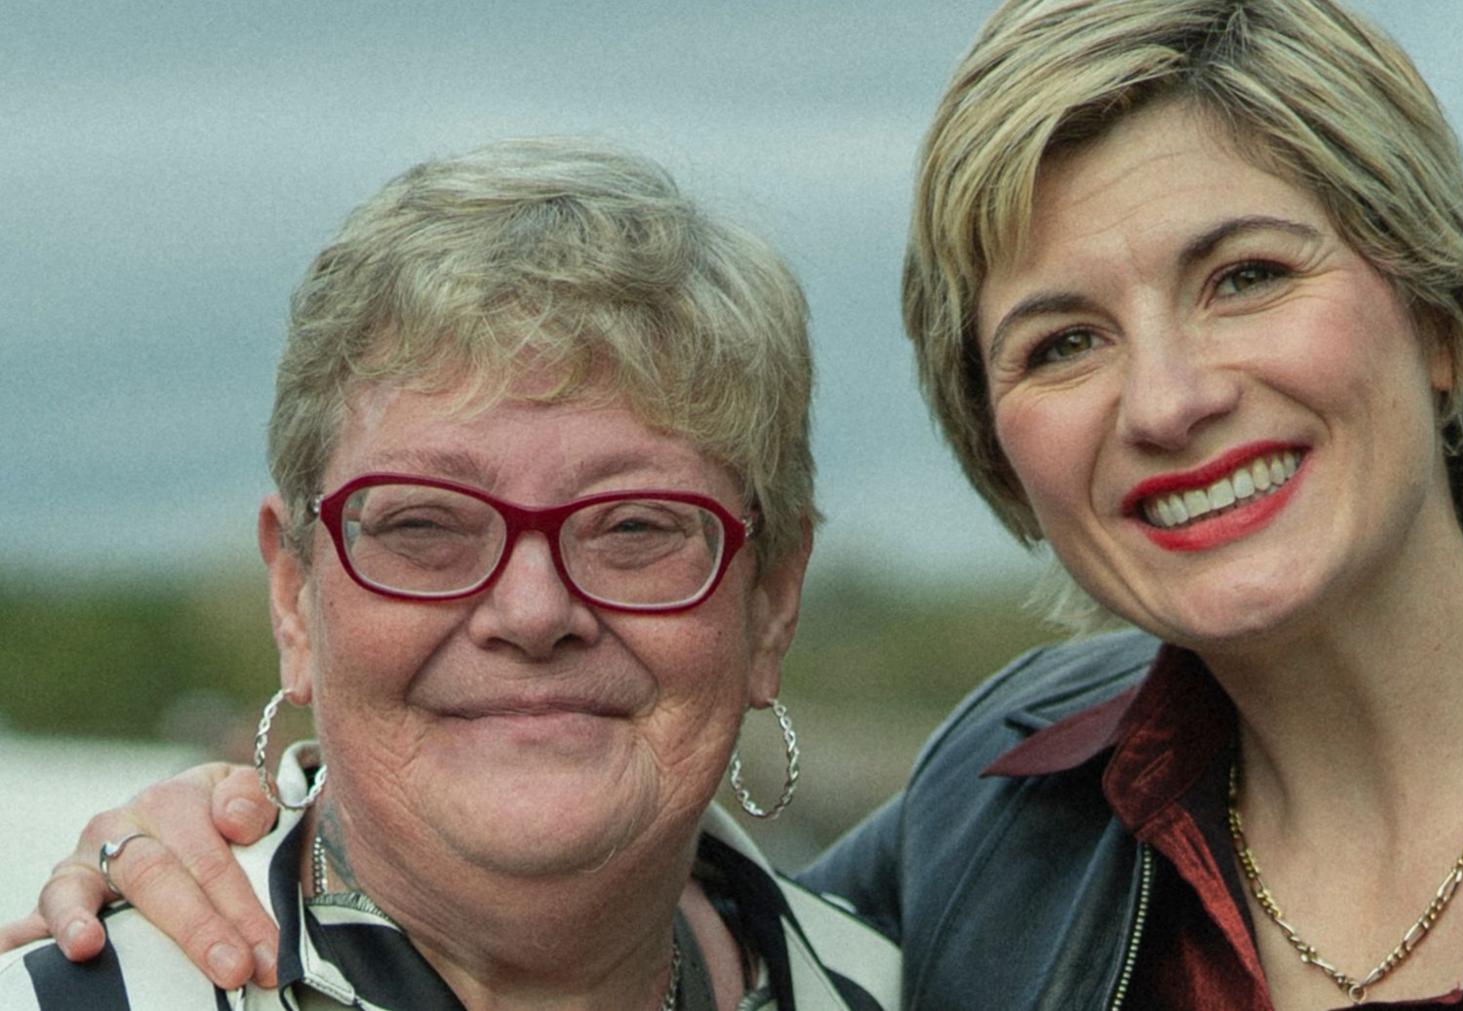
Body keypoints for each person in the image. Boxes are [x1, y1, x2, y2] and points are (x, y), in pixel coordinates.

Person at [10, 0, 1463, 1008]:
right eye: (1061, 337)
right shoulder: (993, 845)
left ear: (1441, 307)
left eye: (1247, 273)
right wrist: (207, 860)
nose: (1169, 396)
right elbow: (560, 861)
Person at [0, 137, 900, 1009]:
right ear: (294, 599)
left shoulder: (929, 984)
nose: (534, 609)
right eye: (425, 524)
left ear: (773, 601)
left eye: (634, 526)